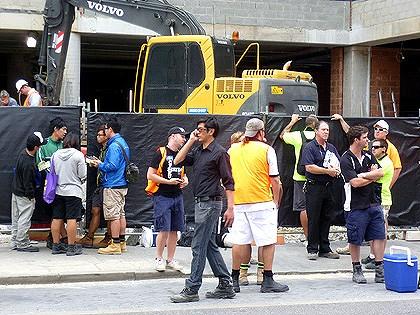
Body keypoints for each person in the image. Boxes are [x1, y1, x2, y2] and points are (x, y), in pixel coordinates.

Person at [170, 117, 235, 303]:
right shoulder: (199, 150)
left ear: (211, 131)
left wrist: (230, 208)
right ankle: (225, 284)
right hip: (202, 203)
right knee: (208, 245)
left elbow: (229, 182)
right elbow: (177, 160)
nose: (197, 132)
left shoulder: (220, 153)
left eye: (200, 129)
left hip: (210, 204)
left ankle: (192, 288)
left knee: (198, 245)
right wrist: (190, 140)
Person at [229, 118, 288, 294]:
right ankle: (267, 279)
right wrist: (276, 201)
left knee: (239, 241)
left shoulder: (232, 149)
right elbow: (275, 180)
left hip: (240, 201)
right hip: (262, 201)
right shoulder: (267, 150)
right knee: (268, 240)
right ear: (261, 132)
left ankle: (234, 279)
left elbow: (226, 177)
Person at [340, 125, 385, 284]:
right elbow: (355, 183)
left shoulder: (368, 156)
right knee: (355, 238)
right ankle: (356, 268)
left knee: (379, 235)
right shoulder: (346, 159)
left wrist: (365, 174)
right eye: (365, 137)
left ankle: (380, 269)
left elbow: (380, 172)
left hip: (374, 203)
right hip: (355, 205)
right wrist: (371, 176)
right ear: (356, 140)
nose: (368, 140)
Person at [147, 127, 189, 272]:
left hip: (177, 195)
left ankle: (170, 259)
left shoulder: (181, 154)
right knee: (163, 229)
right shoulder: (161, 152)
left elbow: (184, 173)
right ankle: (159, 258)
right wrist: (167, 182)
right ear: (172, 136)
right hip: (162, 195)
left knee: (174, 230)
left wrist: (185, 180)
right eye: (182, 136)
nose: (184, 139)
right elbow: (150, 175)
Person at [301, 120, 341, 260]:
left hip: (329, 187)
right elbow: (309, 167)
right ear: (316, 131)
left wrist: (336, 170)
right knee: (314, 218)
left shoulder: (331, 148)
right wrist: (326, 171)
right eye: (323, 129)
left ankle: (325, 248)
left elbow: (337, 162)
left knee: (327, 217)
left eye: (328, 130)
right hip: (314, 187)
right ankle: (312, 248)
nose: (326, 132)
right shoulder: (309, 147)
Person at [91, 117, 130, 255]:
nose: (104, 131)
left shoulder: (113, 146)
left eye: (105, 129)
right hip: (122, 184)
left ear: (110, 130)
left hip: (112, 184)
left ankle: (115, 244)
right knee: (121, 214)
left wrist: (99, 164)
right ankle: (122, 242)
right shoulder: (122, 143)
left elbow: (111, 166)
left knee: (113, 216)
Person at [279, 114, 318, 242]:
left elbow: (282, 135)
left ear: (305, 124)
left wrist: (292, 122)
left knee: (303, 208)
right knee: (318, 207)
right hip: (317, 176)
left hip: (300, 176)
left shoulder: (297, 136)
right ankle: (316, 236)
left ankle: (308, 238)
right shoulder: (321, 136)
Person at [50, 133, 86, 256]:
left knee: (56, 218)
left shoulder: (55, 154)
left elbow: (52, 172)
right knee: (72, 219)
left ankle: (56, 245)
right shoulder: (78, 155)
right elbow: (83, 174)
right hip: (73, 191)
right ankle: (71, 247)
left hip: (58, 190)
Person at [10, 132, 47, 252]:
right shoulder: (29, 163)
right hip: (25, 194)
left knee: (16, 218)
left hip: (16, 191)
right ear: (36, 147)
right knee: (24, 219)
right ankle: (22, 243)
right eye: (40, 146)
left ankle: (15, 240)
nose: (40, 147)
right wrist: (31, 197)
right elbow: (28, 183)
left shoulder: (22, 154)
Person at [35, 117, 68, 249]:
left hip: (65, 186)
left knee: (61, 214)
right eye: (63, 129)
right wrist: (54, 172)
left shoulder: (65, 145)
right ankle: (59, 239)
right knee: (54, 214)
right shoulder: (44, 145)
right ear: (56, 129)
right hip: (49, 187)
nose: (65, 132)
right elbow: (40, 165)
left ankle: (55, 238)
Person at [77, 124, 111, 248]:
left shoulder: (110, 149)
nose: (97, 137)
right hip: (100, 184)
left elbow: (110, 166)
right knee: (95, 210)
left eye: (100, 135)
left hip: (108, 184)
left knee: (109, 213)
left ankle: (109, 237)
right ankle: (89, 237)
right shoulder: (102, 149)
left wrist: (99, 164)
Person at [362, 138, 394, 270]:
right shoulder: (376, 161)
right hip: (374, 199)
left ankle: (378, 259)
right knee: (372, 229)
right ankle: (372, 255)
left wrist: (364, 174)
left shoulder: (386, 163)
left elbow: (374, 176)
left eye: (376, 147)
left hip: (383, 200)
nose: (373, 149)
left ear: (384, 149)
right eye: (372, 147)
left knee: (380, 231)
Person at [373, 120, 402, 189]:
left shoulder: (391, 148)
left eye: (380, 129)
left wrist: (388, 186)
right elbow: (355, 136)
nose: (377, 131)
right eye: (375, 129)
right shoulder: (369, 144)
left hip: (382, 186)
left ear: (386, 132)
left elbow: (397, 168)